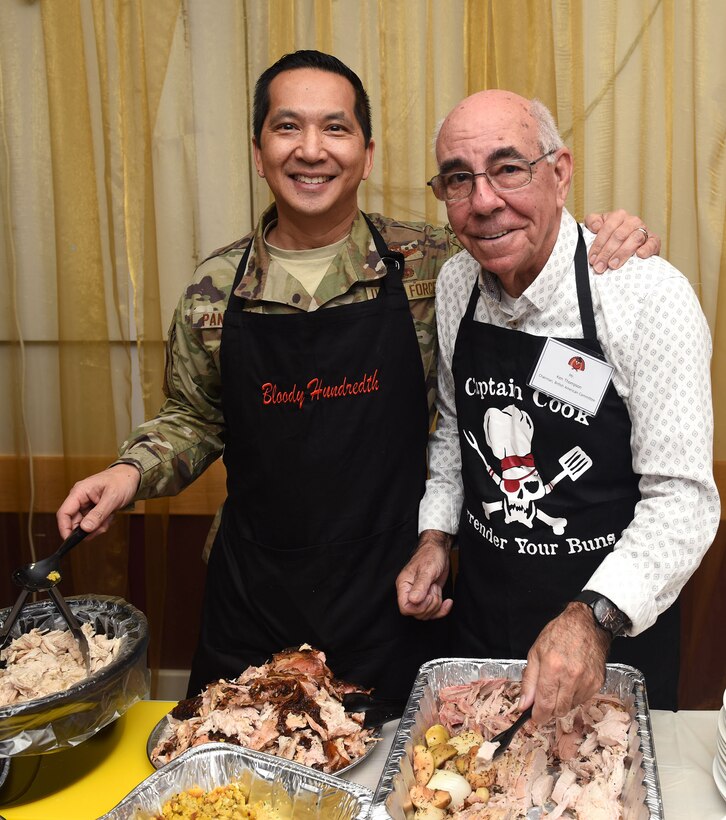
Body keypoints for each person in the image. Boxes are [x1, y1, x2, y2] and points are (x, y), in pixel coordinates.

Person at [56, 51, 659, 706]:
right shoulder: (213, 290)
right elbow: (195, 418)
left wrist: (612, 239)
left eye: (335, 129)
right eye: (288, 128)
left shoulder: (436, 265)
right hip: (255, 593)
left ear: (366, 154)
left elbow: (525, 243)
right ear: (259, 152)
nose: (311, 150)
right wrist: (127, 474)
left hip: (396, 592)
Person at [396, 89, 719, 721]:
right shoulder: (457, 282)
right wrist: (436, 535)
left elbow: (683, 499)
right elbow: (457, 430)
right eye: (459, 180)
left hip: (613, 637)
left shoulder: (644, 298)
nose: (485, 202)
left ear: (561, 171)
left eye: (509, 168)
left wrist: (593, 618)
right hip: (484, 623)